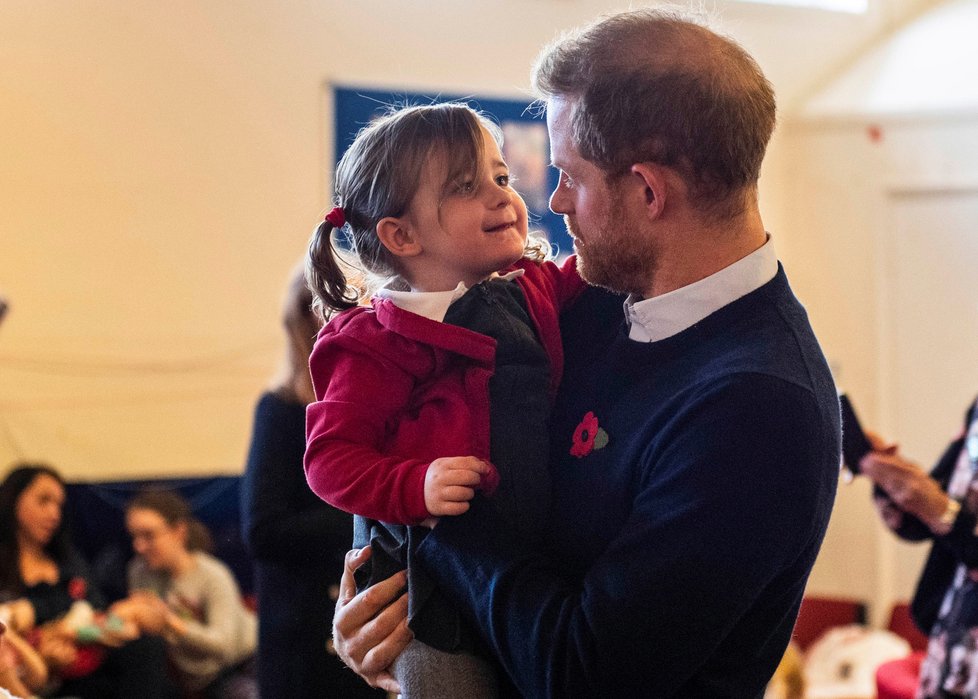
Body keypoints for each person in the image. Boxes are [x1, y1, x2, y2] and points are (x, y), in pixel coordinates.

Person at [330, 8, 842, 698]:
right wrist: (384, 617)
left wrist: (430, 535)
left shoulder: (760, 402)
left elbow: (580, 673)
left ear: (649, 191)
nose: (555, 201)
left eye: (568, 175)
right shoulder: (585, 303)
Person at [303, 102, 584, 697]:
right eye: (465, 187)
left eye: (502, 178)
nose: (502, 197)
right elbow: (330, 460)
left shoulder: (531, 287)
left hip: (522, 564)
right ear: (400, 235)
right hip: (427, 586)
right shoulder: (375, 342)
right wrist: (414, 484)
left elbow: (597, 272)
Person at [240, 267, 383, 699]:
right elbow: (263, 530)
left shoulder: (373, 405)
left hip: (363, 617)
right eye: (319, 310)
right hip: (302, 628)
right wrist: (370, 511)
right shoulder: (281, 409)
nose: (332, 322)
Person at [0, 464, 176, 699]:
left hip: (87, 659)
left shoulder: (67, 558)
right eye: (43, 501)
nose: (54, 514)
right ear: (12, 501)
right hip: (34, 671)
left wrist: (121, 616)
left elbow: (96, 607)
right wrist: (45, 645)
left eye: (59, 505)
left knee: (146, 650)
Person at [861, 399, 978, 698]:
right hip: (950, 655)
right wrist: (891, 477)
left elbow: (945, 515)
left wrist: (945, 515)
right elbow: (932, 515)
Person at [117, 489, 257, 698]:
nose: (139, 546)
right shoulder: (139, 571)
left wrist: (169, 622)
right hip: (190, 677)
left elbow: (224, 647)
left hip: (242, 665)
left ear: (179, 531)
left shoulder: (212, 574)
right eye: (134, 536)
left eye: (148, 535)